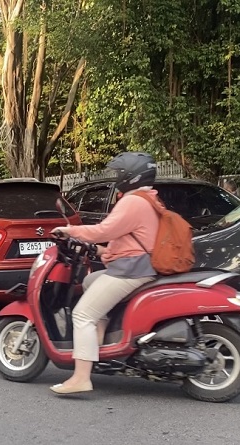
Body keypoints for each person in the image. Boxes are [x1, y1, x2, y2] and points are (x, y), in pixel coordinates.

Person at [49, 152, 160, 395]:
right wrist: (101, 252)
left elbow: (104, 230)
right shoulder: (148, 199)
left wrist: (70, 231)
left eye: (120, 173)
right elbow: (128, 240)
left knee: (82, 314)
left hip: (130, 271)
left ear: (132, 176)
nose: (117, 177)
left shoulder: (133, 202)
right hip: (137, 266)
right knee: (90, 280)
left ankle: (80, 378)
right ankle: (98, 342)